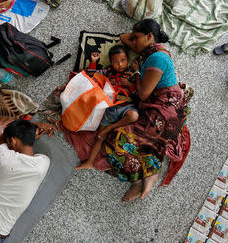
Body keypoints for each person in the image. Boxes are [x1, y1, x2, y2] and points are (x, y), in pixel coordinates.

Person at [102, 19, 191, 202]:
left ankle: (148, 173)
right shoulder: (151, 50)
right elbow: (123, 38)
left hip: (165, 112)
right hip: (164, 108)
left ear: (149, 36)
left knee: (115, 140)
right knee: (145, 140)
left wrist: (135, 73)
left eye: (136, 38)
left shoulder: (157, 58)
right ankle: (147, 172)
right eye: (133, 38)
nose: (132, 42)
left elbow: (143, 94)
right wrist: (137, 37)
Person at [76, 45, 139, 170]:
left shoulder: (130, 74)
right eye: (115, 61)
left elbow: (139, 93)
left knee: (134, 115)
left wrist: (130, 84)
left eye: (123, 60)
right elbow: (92, 75)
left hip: (126, 106)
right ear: (111, 62)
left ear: (127, 60)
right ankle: (90, 162)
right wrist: (94, 62)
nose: (120, 64)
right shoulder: (108, 72)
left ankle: (110, 128)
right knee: (100, 136)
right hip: (110, 109)